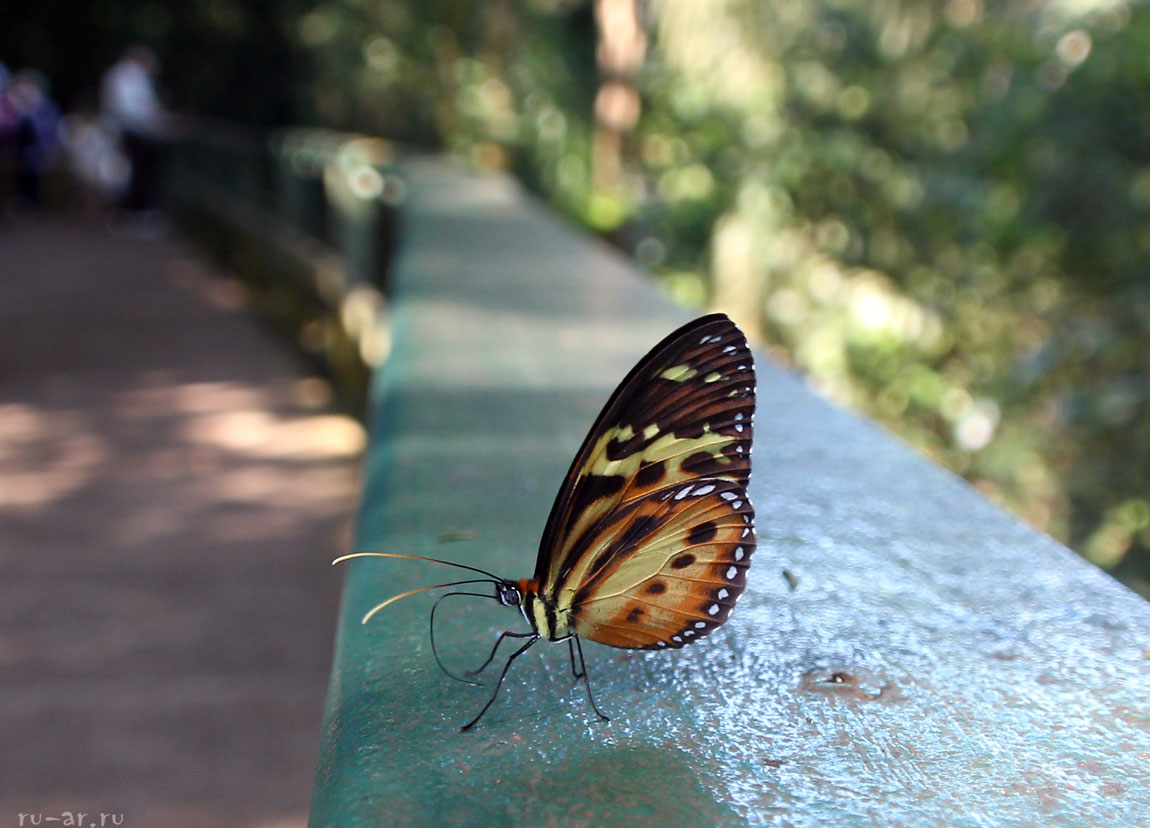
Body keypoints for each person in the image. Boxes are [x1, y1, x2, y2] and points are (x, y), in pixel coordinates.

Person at [101, 46, 164, 214]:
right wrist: (153, 120)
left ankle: (134, 209)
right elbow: (130, 108)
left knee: (134, 172)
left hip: (133, 130)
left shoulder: (123, 74)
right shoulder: (128, 75)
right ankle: (133, 211)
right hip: (132, 131)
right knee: (135, 172)